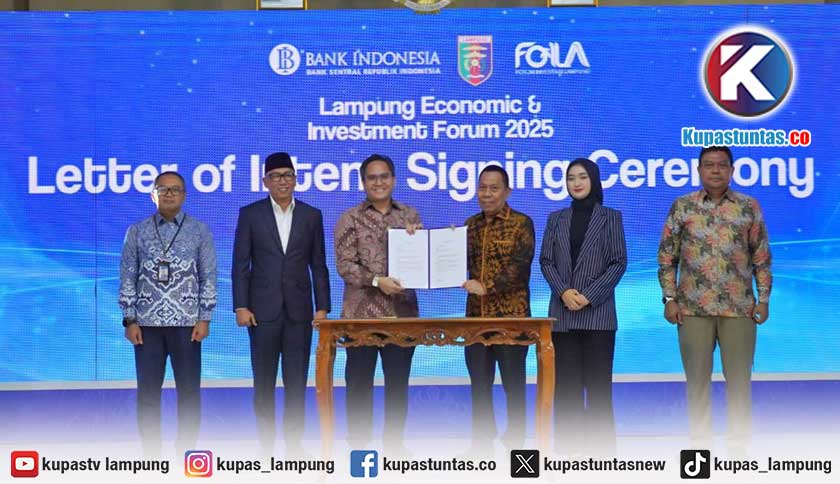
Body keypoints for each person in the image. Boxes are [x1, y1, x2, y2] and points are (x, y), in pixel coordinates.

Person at [657, 146, 772, 454]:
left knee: (739, 383)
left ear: (732, 170)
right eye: (709, 165)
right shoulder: (683, 207)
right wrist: (669, 298)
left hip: (740, 309)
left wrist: (763, 299)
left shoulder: (748, 207)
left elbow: (761, 258)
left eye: (722, 165)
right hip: (692, 309)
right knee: (697, 384)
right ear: (699, 171)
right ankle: (700, 450)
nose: (716, 170)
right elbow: (667, 257)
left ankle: (738, 450)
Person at [232, 152, 331, 455]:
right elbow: (240, 264)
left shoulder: (312, 215)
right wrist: (241, 306)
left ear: (296, 179)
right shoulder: (250, 214)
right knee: (263, 383)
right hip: (261, 313)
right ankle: (265, 447)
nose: (282, 181)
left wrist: (322, 307)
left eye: (287, 175)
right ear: (265, 181)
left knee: (296, 382)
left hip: (300, 313)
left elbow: (319, 265)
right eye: (275, 176)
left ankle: (294, 446)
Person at [119, 171, 217, 456]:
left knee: (189, 391)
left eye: (176, 189)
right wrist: (129, 319)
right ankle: (151, 454)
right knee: (148, 392)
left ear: (184, 195)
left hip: (187, 324)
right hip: (146, 325)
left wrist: (204, 317)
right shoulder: (137, 231)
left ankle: (187, 451)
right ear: (153, 195)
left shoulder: (199, 231)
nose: (170, 194)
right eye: (163, 189)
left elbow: (208, 276)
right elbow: (127, 276)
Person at [334, 154, 422, 453]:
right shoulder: (349, 218)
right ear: (363, 182)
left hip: (402, 315)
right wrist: (376, 281)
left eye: (384, 176)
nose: (378, 182)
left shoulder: (410, 216)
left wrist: (431, 244)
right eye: (372, 178)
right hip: (362, 317)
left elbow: (422, 262)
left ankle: (395, 447)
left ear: (393, 180)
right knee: (359, 384)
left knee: (398, 384)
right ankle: (359, 448)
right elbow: (345, 265)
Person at [539, 158, 627, 456]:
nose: (576, 183)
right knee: (566, 390)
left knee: (599, 390)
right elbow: (546, 261)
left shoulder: (611, 217)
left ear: (594, 180)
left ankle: (601, 457)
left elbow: (618, 262)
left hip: (598, 317)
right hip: (562, 316)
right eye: (571, 178)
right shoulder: (555, 219)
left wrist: (589, 296)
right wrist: (563, 291)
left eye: (582, 177)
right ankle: (568, 454)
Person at [461, 165, 535, 453]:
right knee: (479, 385)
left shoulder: (521, 223)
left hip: (511, 320)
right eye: (482, 188)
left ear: (507, 192)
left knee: (513, 385)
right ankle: (481, 445)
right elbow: (454, 263)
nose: (487, 194)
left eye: (494, 188)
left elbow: (520, 268)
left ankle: (517, 445)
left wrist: (486, 286)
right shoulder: (470, 225)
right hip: (475, 321)